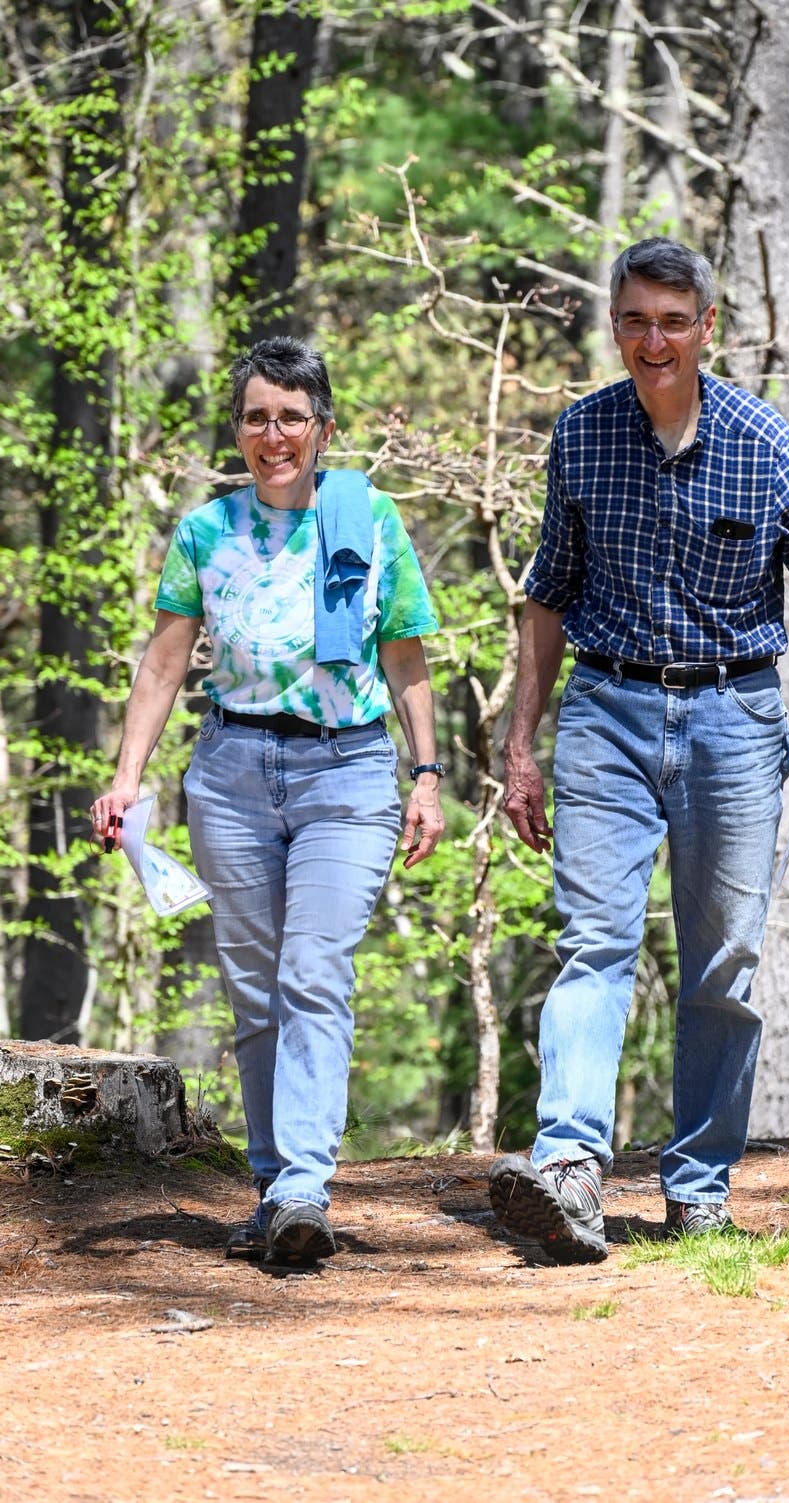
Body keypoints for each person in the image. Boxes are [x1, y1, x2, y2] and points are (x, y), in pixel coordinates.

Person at [488, 237, 789, 1264]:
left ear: (706, 328)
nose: (652, 340)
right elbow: (548, 594)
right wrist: (521, 742)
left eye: (671, 320)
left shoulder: (760, 438)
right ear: (614, 326)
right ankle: (565, 1167)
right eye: (634, 320)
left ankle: (696, 1186)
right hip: (605, 709)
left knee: (722, 968)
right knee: (593, 942)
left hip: (734, 721)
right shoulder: (581, 434)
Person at [90, 336, 445, 1268]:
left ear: (321, 428)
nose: (274, 434)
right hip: (232, 773)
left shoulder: (369, 520)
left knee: (314, 970)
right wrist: (128, 778)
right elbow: (166, 661)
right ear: (239, 430)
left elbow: (405, 653)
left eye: (292, 417)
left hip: (348, 774)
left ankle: (302, 1187)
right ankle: (271, 1183)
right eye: (256, 417)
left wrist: (428, 775)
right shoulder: (207, 532)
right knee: (255, 992)